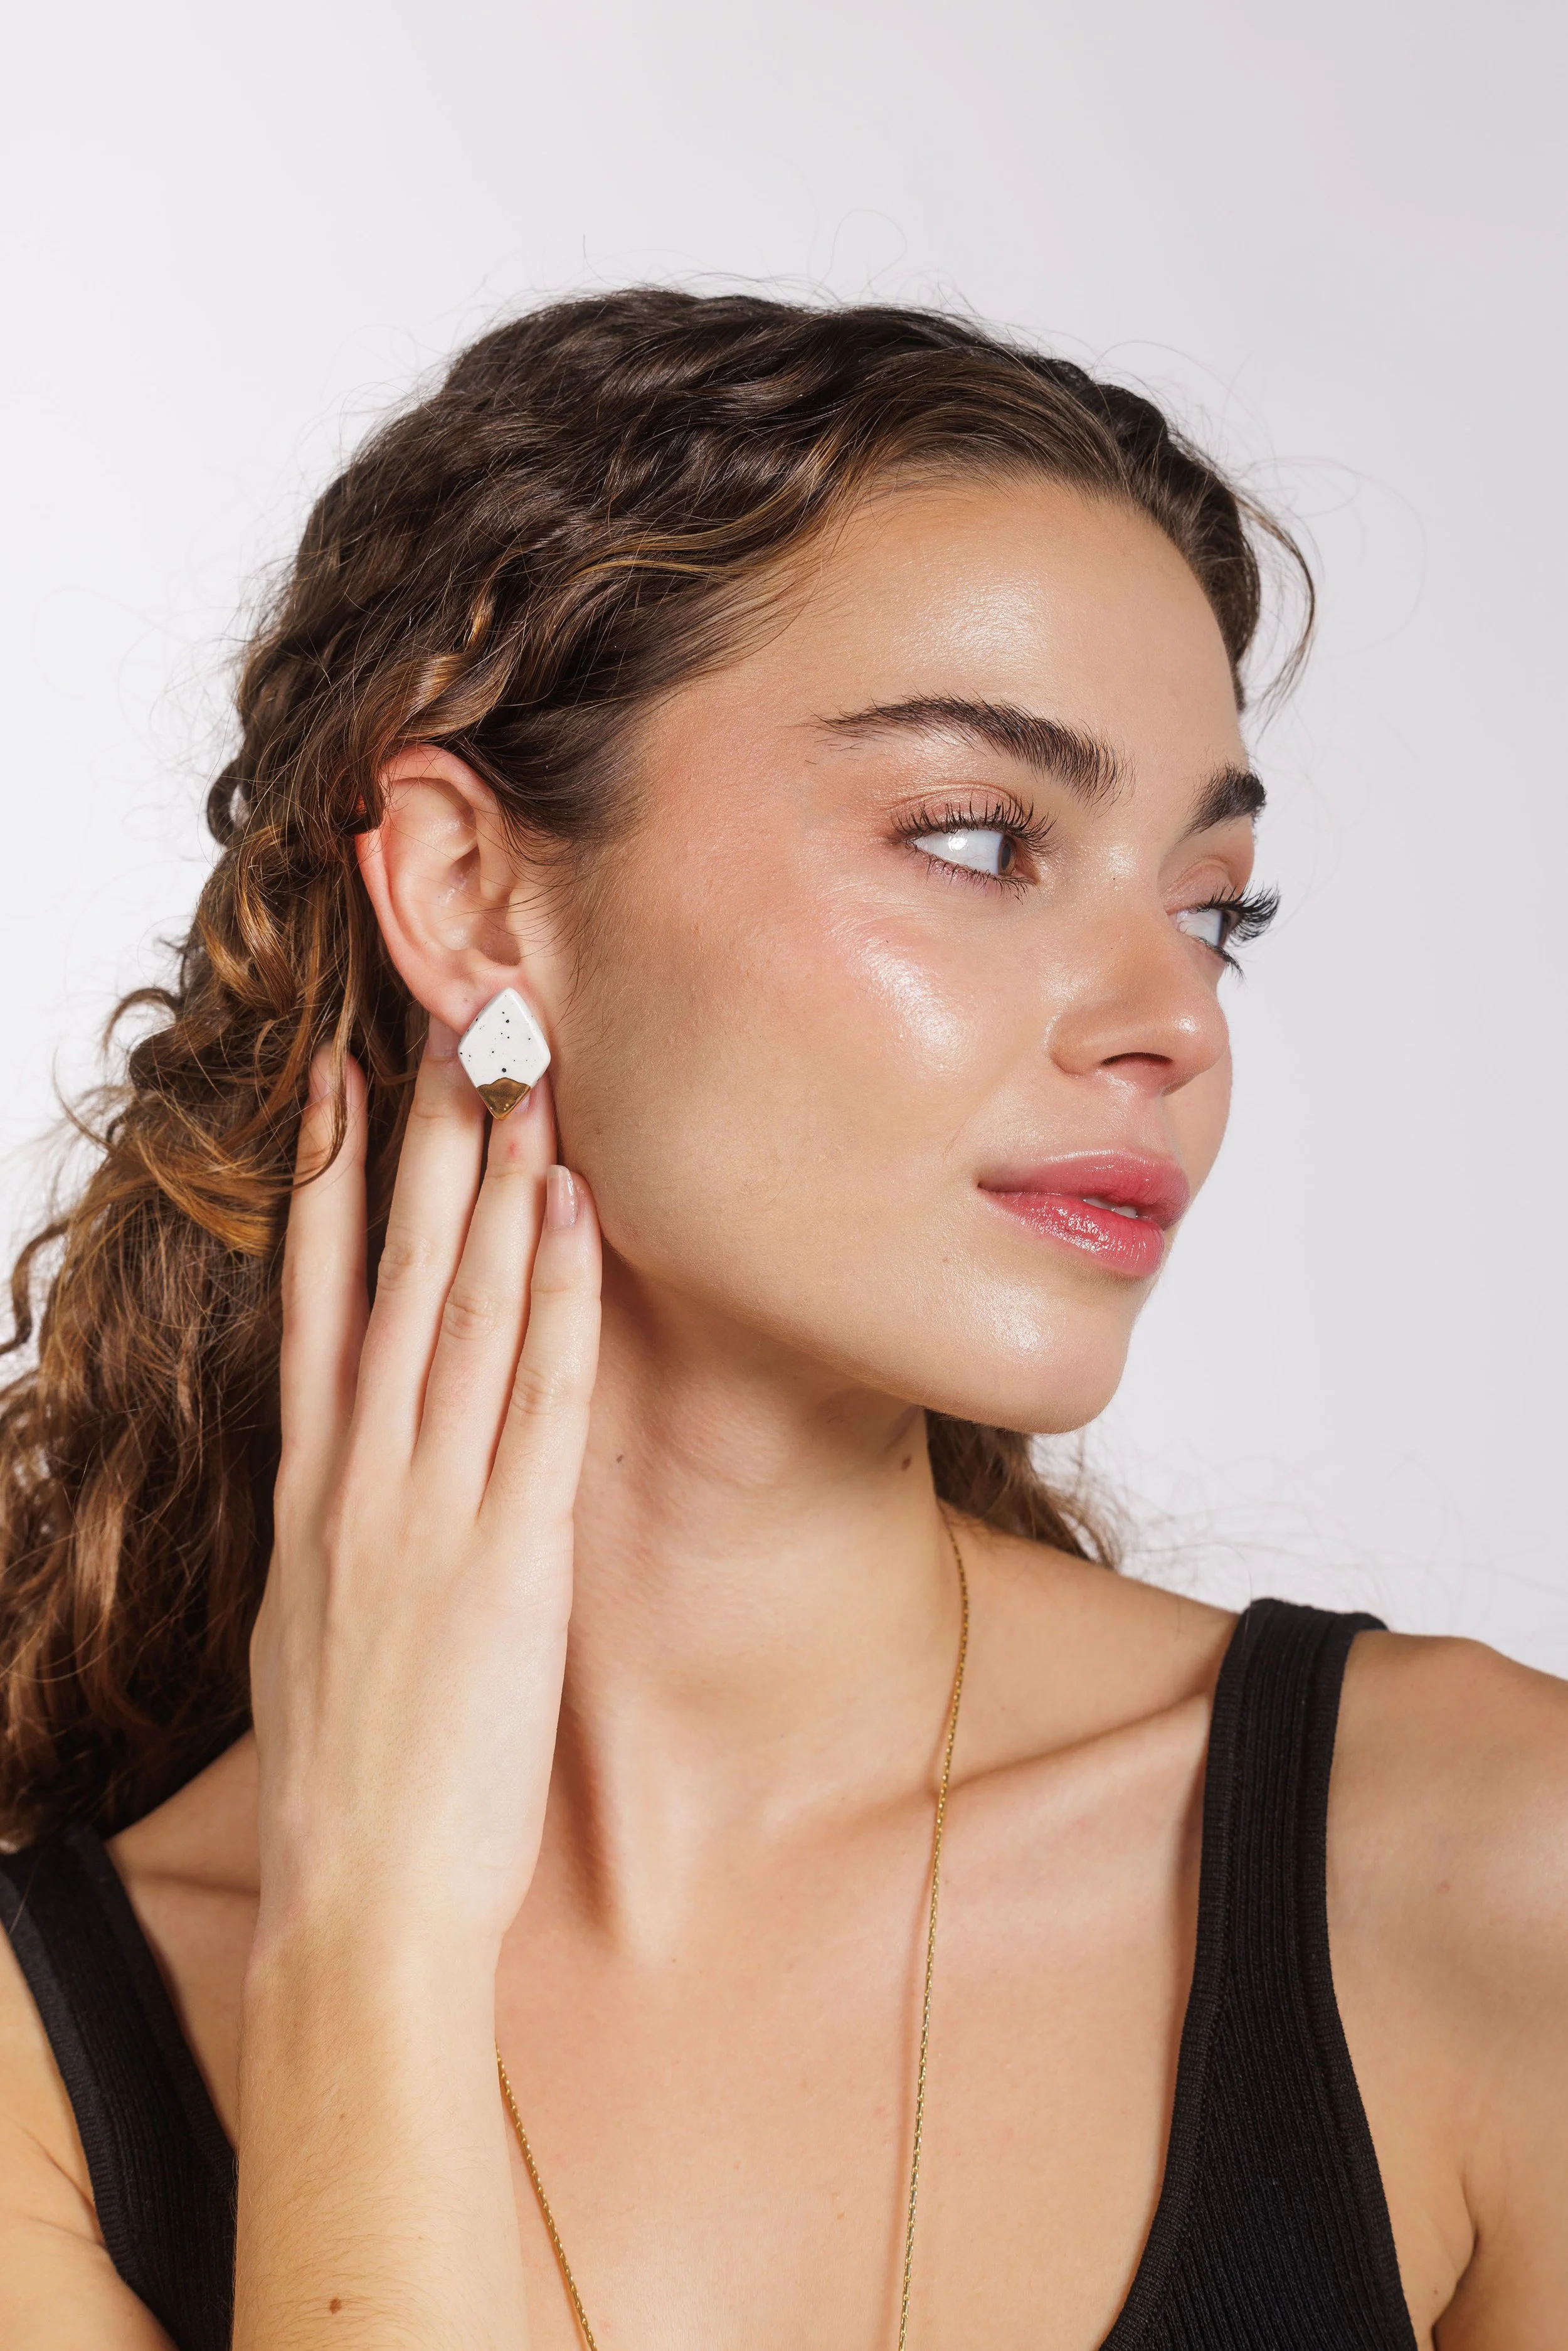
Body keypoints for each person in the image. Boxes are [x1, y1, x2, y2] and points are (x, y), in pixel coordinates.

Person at [0, 292, 1563, 2351]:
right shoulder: (39, 2070)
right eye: (980, 838)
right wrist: (367, 1950)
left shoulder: (1484, 1877)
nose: (1172, 1021)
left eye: (1210, 906)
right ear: (473, 891)